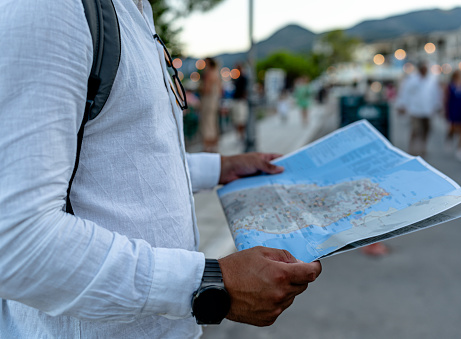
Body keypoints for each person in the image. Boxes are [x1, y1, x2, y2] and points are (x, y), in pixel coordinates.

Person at [0, 1, 322, 338]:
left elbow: (119, 159)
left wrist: (219, 168)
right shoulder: (49, 8)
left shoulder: (134, 10)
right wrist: (210, 283)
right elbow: (16, 240)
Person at [396, 62, 442, 157]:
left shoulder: (431, 80)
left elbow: (436, 94)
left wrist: (437, 106)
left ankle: (423, 147)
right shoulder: (412, 79)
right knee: (415, 129)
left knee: (426, 130)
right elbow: (405, 92)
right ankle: (411, 148)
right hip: (415, 110)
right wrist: (402, 105)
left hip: (427, 110)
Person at [444, 70, 461, 162]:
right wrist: (445, 110)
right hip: (453, 109)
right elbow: (446, 98)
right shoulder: (450, 86)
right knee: (453, 128)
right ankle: (449, 139)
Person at [199, 57, 222, 152]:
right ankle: (214, 145)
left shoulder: (208, 74)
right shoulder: (217, 73)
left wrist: (199, 89)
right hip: (214, 101)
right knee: (213, 123)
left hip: (208, 101)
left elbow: (206, 89)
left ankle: (207, 146)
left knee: (207, 123)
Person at [231, 64, 249, 141]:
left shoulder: (243, 78)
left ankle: (241, 135)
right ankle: (239, 135)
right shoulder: (237, 78)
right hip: (237, 100)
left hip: (240, 101)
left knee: (241, 119)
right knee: (237, 119)